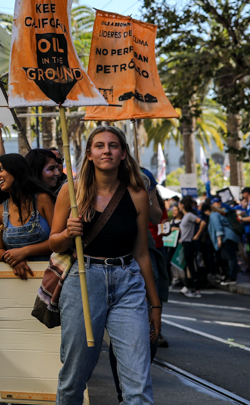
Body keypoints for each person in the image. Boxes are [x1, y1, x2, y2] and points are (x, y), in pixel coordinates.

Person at [49, 125, 160, 405]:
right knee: (74, 377)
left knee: (138, 383)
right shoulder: (71, 192)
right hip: (84, 281)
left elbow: (142, 253)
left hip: (128, 282)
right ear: (89, 154)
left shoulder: (137, 193)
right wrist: (67, 233)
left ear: (123, 153)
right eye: (99, 146)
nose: (106, 151)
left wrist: (155, 305)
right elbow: (54, 243)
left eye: (113, 146)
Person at [0, 153, 55, 278]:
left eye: (1, 169)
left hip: (50, 277)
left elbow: (60, 240)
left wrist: (23, 252)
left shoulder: (42, 200)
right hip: (17, 282)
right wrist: (12, 259)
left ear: (16, 170)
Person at [178, 196, 207, 297]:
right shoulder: (185, 216)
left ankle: (196, 289)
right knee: (186, 266)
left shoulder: (189, 215)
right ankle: (189, 287)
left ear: (182, 205)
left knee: (191, 266)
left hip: (189, 243)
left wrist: (197, 235)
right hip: (185, 242)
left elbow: (202, 223)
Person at [209, 201, 242, 283]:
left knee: (230, 258)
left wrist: (219, 239)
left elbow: (218, 227)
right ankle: (229, 276)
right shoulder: (220, 213)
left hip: (227, 238)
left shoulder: (214, 215)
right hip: (231, 237)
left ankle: (231, 278)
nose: (219, 203)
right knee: (228, 257)